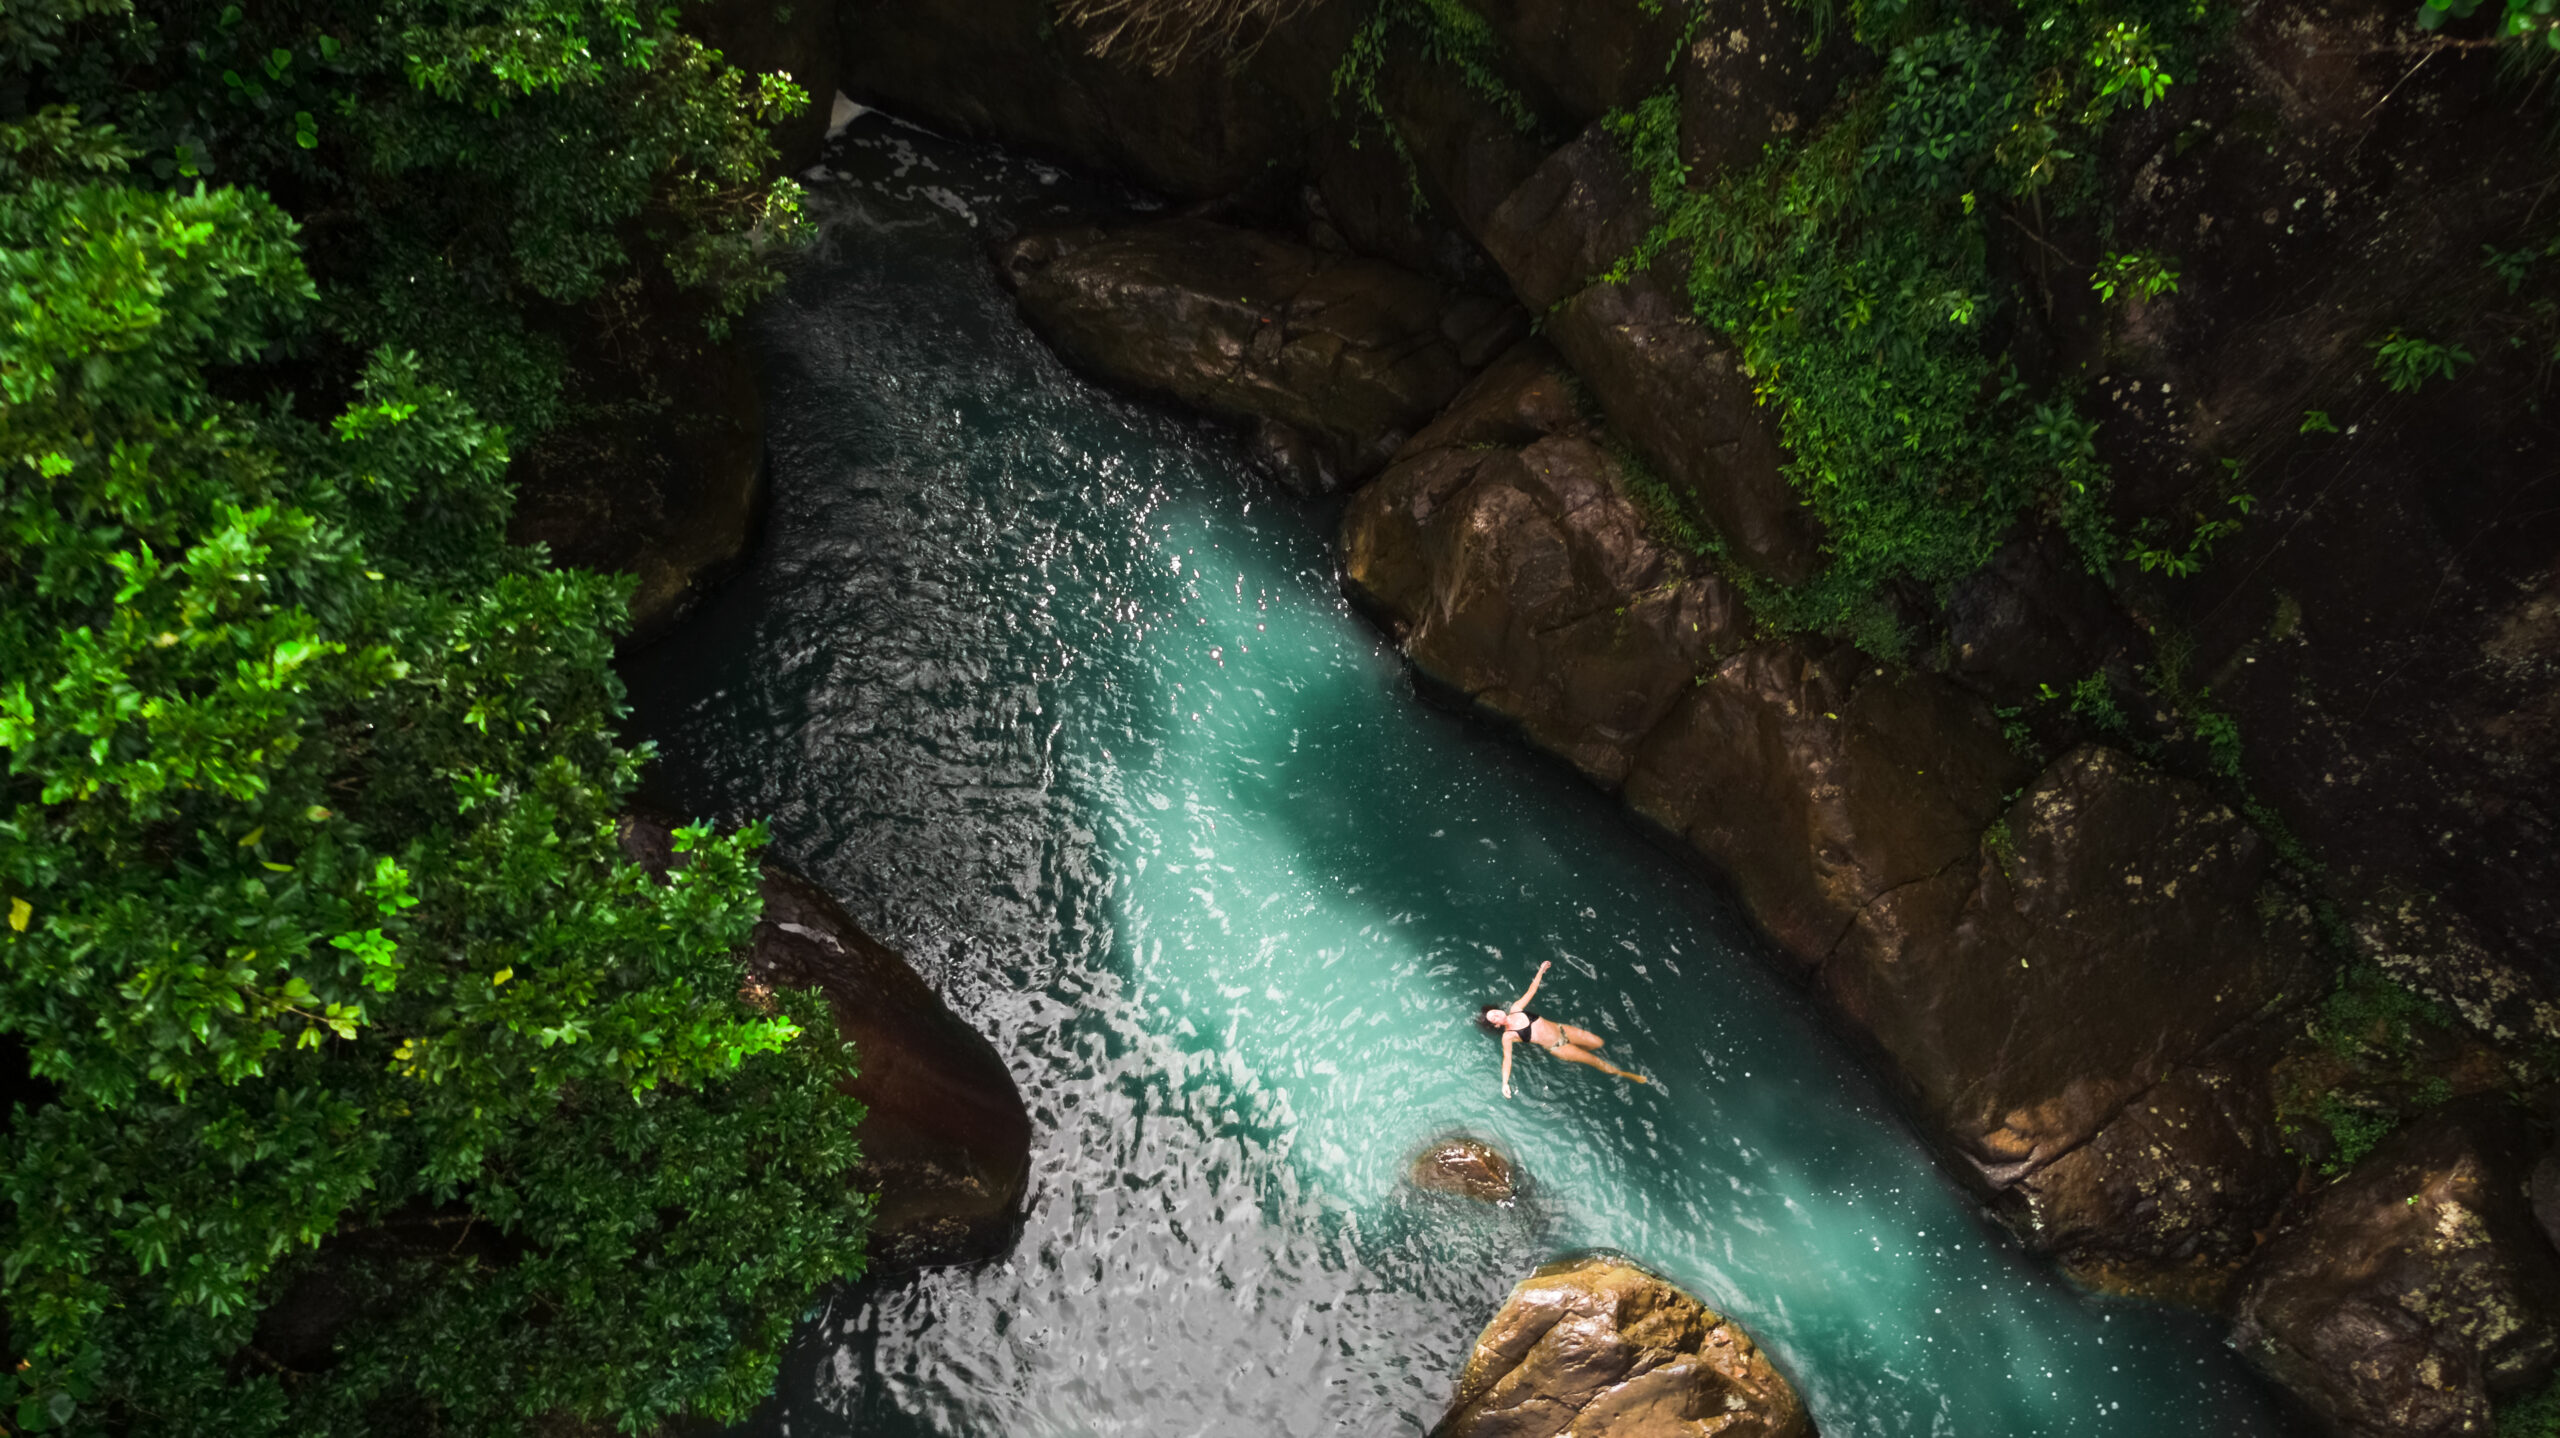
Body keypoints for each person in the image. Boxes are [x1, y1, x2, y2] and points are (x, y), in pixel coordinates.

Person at [1478, 960, 1649, 1097]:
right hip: (1559, 1047)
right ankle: (1627, 1075)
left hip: (1563, 1029)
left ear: (1498, 1009)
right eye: (1492, 1018)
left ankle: (1581, 1058)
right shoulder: (1508, 1036)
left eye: (1493, 1012)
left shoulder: (1516, 1007)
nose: (1495, 1014)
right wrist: (1504, 1083)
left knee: (1598, 1042)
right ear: (1496, 1025)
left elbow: (1531, 991)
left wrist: (1540, 971)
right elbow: (1506, 1059)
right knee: (1596, 1061)